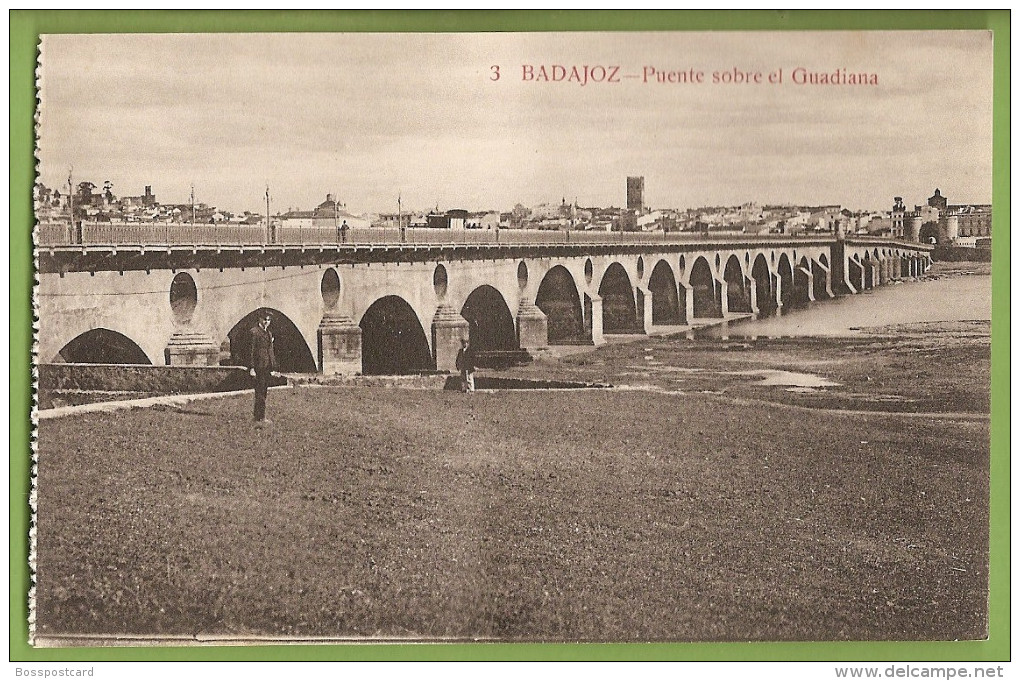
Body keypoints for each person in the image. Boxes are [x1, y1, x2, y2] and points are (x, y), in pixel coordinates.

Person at [248, 311, 279, 423]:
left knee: (264, 391)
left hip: (266, 366)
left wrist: (273, 367)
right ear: (260, 319)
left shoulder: (269, 333)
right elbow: (251, 351)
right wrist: (251, 368)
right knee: (259, 392)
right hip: (258, 366)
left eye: (268, 320)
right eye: (264, 319)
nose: (266, 322)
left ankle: (261, 416)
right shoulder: (254, 332)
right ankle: (259, 417)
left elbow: (270, 351)